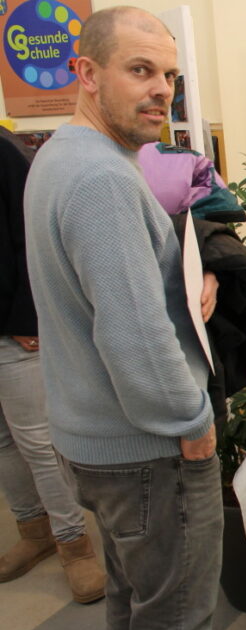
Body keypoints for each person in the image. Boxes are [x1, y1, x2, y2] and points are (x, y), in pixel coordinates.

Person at [23, 8, 220, 630]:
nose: (161, 89)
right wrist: (192, 423)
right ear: (86, 73)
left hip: (96, 443)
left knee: (134, 606)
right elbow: (134, 339)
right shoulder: (102, 179)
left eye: (168, 74)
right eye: (139, 70)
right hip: (148, 453)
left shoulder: (61, 157)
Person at [0, 129, 106, 603]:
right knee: (2, 442)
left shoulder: (5, 152)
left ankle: (73, 545)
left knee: (38, 443)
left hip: (14, 331)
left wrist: (27, 317)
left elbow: (30, 237)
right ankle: (33, 530)